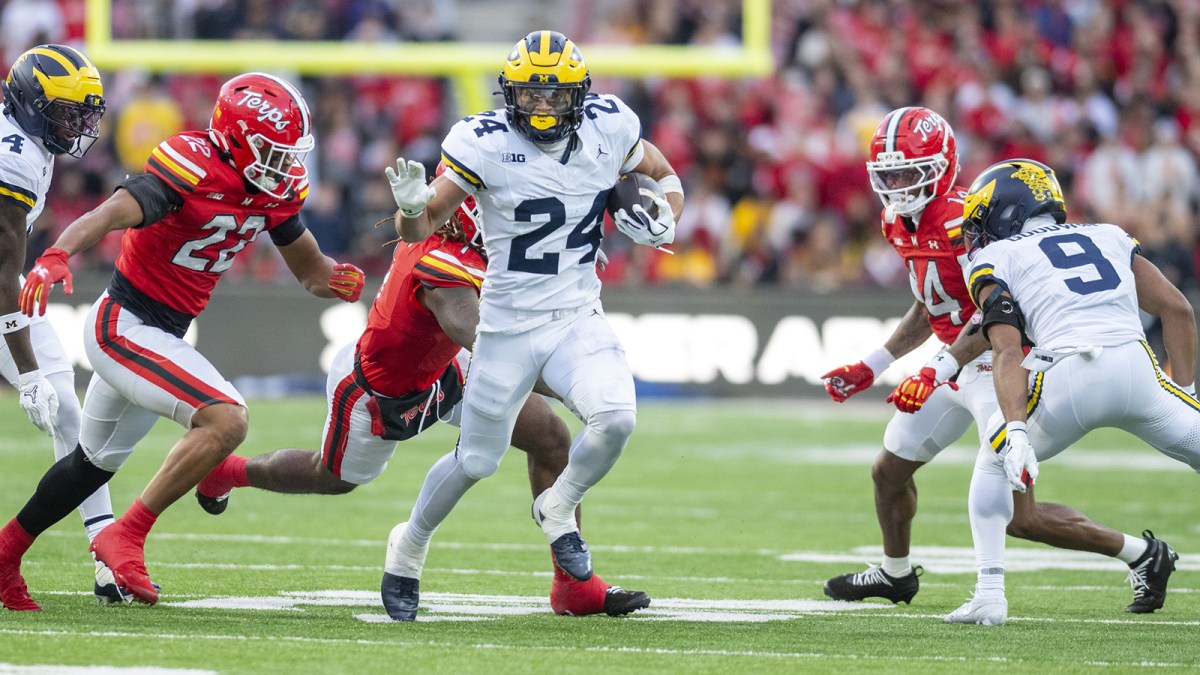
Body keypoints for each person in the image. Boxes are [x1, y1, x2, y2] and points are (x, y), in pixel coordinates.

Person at [193, 170, 650, 619]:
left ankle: (572, 586)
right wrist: (577, 383)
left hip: (448, 366)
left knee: (549, 436)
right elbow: (485, 341)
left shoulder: (472, 246)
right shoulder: (442, 264)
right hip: (381, 387)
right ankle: (232, 471)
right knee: (333, 476)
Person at [0, 72, 366, 610]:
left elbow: (309, 268)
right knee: (226, 417)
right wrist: (59, 253)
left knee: (89, 465)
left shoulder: (273, 188)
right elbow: (111, 213)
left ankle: (6, 555)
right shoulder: (192, 164)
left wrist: (335, 278)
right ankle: (126, 534)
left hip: (159, 331)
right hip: (123, 323)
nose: (284, 165)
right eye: (273, 150)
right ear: (239, 138)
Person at [820, 108, 1166, 613]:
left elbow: (999, 311)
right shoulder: (897, 220)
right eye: (888, 174)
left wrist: (935, 369)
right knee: (887, 472)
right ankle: (895, 575)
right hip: (950, 362)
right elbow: (930, 301)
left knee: (1017, 514)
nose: (896, 185)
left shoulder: (968, 220)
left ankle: (1141, 554)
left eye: (907, 172)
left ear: (942, 167)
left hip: (997, 362)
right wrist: (873, 364)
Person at [382, 30, 682, 600]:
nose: (542, 106)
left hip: (576, 315)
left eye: (554, 95)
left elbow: (666, 177)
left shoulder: (609, 125)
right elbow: (419, 230)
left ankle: (558, 504)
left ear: (580, 95)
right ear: (509, 93)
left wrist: (668, 215)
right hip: (506, 324)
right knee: (475, 461)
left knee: (616, 417)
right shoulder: (483, 141)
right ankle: (410, 543)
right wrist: (410, 208)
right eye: (530, 94)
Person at [948, 158, 1193, 626]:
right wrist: (1188, 393)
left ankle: (990, 594)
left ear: (1005, 212)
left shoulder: (994, 257)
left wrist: (1015, 431)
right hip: (1137, 368)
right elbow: (1177, 309)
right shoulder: (1108, 234)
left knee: (993, 460)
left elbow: (1005, 346)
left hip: (1068, 376)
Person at [0, 43, 141, 605]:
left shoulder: (29, 142)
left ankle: (105, 545)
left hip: (7, 288)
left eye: (85, 112)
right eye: (65, 112)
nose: (78, 125)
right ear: (31, 104)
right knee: (55, 395)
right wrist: (26, 371)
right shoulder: (12, 154)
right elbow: (4, 267)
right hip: (3, 288)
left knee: (67, 408)